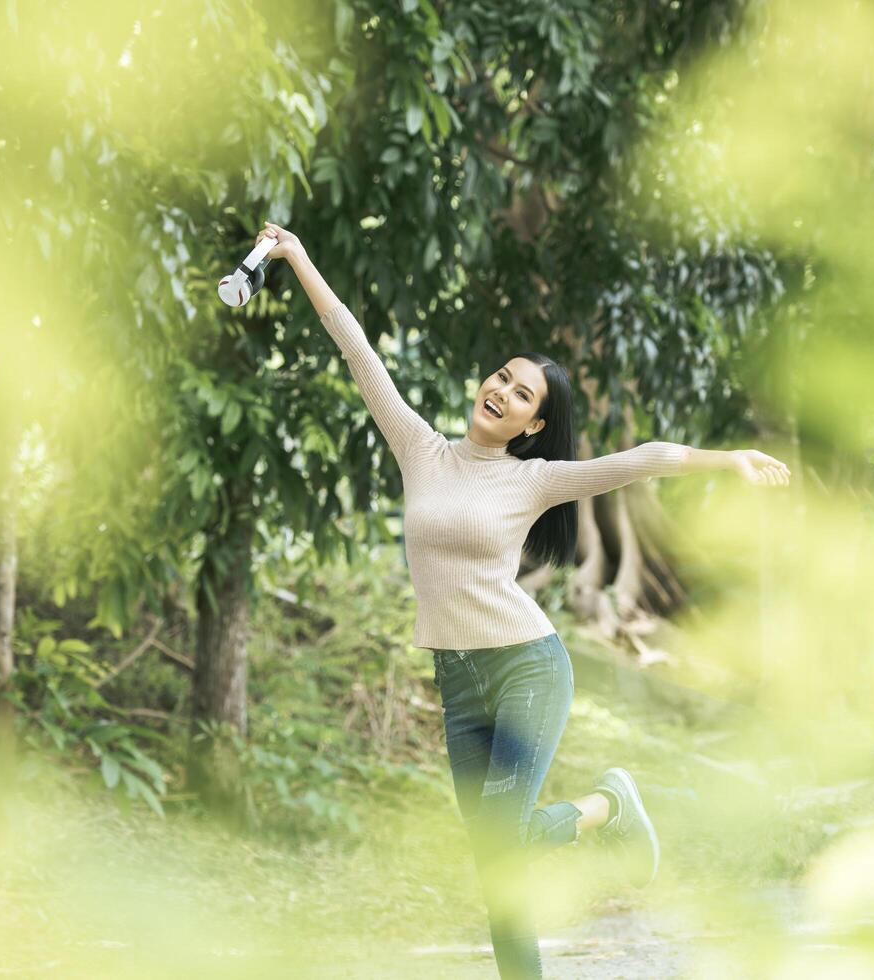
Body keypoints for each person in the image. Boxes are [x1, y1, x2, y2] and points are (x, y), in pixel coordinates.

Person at [254, 221, 790, 979]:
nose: (500, 391)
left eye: (521, 393)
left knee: (502, 842)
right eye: (500, 377)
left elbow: (636, 462)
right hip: (457, 679)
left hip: (526, 670)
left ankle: (608, 807)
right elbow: (357, 351)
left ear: (533, 423)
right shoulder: (420, 450)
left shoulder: (531, 480)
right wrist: (297, 254)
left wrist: (725, 459)